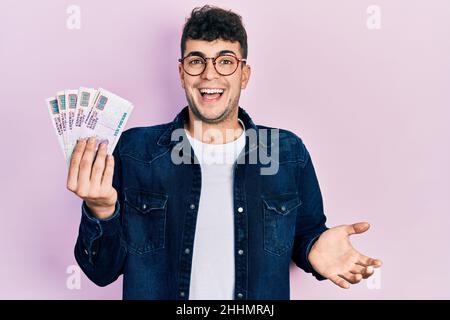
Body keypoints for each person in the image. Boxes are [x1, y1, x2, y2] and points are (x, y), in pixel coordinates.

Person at [67, 5, 382, 300]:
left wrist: (315, 246)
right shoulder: (135, 151)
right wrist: (100, 210)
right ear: (181, 73)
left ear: (244, 74)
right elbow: (102, 273)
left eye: (225, 61)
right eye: (196, 60)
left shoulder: (287, 154)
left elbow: (306, 235)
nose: (209, 74)